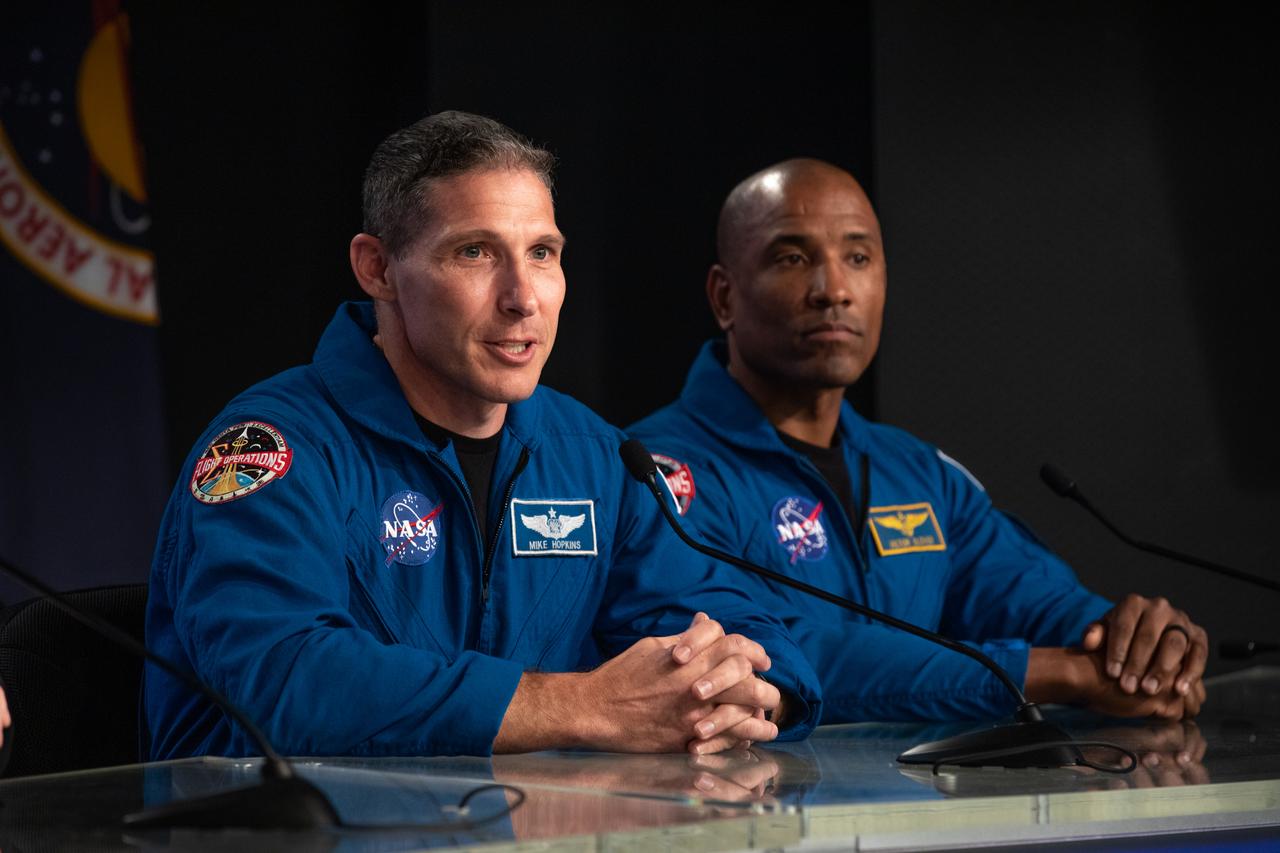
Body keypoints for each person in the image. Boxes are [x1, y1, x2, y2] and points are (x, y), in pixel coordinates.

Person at [143, 113, 822, 760]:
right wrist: (577, 706)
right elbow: (282, 677)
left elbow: (748, 624)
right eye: (475, 252)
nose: (523, 296)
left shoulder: (592, 455)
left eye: (543, 253)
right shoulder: (272, 447)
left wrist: (751, 693)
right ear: (377, 267)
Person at [627, 158, 1207, 723]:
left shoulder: (918, 472)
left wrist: (1133, 645)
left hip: (923, 815)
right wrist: (1041, 673)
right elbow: (768, 656)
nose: (834, 290)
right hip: (762, 811)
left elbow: (1032, 598)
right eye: (794, 257)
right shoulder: (658, 474)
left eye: (857, 257)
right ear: (724, 298)